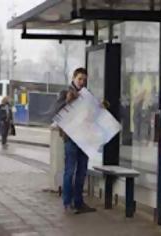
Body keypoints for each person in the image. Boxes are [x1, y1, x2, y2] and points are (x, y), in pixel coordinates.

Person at [56, 67, 96, 214]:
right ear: (73, 78)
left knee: (82, 171)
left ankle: (78, 202)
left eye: (84, 80)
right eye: (80, 79)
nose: (82, 82)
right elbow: (56, 111)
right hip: (71, 138)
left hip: (84, 137)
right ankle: (67, 202)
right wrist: (67, 101)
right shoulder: (65, 93)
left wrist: (100, 107)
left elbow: (92, 114)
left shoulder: (87, 94)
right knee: (70, 170)